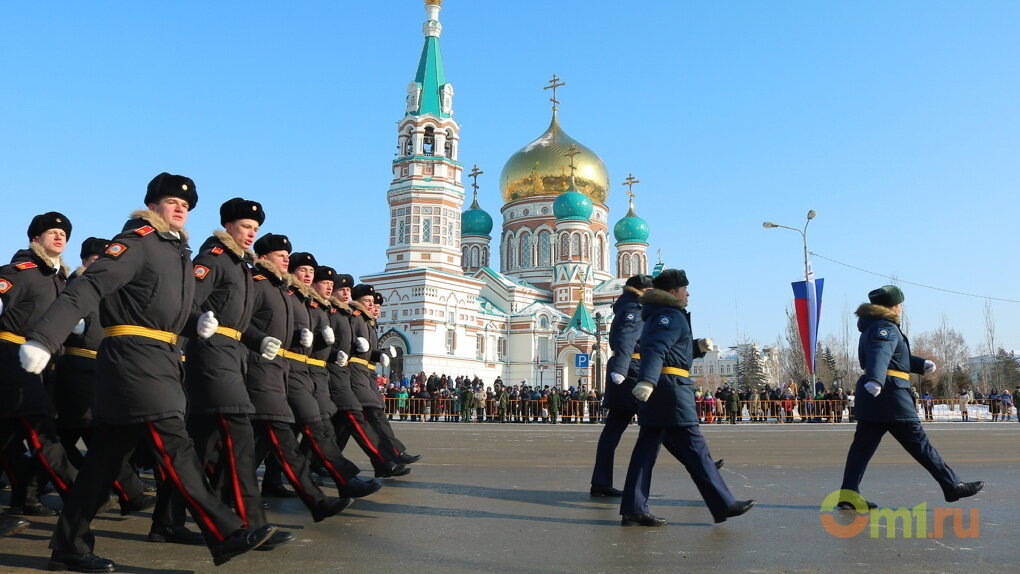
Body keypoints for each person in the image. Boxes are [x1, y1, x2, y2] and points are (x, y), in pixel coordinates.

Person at [21, 173, 276, 570]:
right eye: (172, 201)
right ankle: (225, 531)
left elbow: (166, 308)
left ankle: (69, 544)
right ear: (153, 204)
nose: (180, 208)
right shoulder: (137, 242)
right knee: (175, 443)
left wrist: (195, 323)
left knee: (103, 462)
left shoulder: (176, 252)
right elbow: (88, 288)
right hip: (131, 359)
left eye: (186, 205)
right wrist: (44, 337)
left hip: (159, 358)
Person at [619, 269, 754, 526]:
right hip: (670, 391)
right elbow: (657, 348)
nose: (688, 293)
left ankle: (634, 508)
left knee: (646, 452)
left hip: (663, 388)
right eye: (684, 289)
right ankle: (724, 504)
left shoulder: (660, 314)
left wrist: (696, 347)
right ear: (673, 292)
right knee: (696, 449)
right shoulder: (669, 315)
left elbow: (672, 351)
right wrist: (647, 380)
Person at [835, 285, 983, 510]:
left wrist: (919, 364)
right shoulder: (885, 327)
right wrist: (876, 378)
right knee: (920, 444)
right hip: (891, 396)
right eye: (900, 304)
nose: (901, 308)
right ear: (893, 306)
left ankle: (848, 495)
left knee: (861, 450)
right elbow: (880, 352)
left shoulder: (873, 326)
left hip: (877, 397)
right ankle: (952, 485)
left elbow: (895, 356)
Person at [0, 212, 79, 535]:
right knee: (40, 426)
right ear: (35, 238)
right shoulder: (21, 272)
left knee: (7, 437)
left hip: (44, 365)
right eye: (51, 232)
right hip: (12, 357)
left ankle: (23, 499)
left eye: (63, 234)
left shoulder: (58, 279)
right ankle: (80, 494)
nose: (59, 237)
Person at [590, 275, 652, 497]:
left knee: (613, 430)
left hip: (626, 369)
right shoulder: (634, 308)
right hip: (632, 371)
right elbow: (627, 338)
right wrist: (622, 370)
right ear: (643, 290)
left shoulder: (626, 305)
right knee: (663, 421)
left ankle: (601, 482)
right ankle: (702, 465)